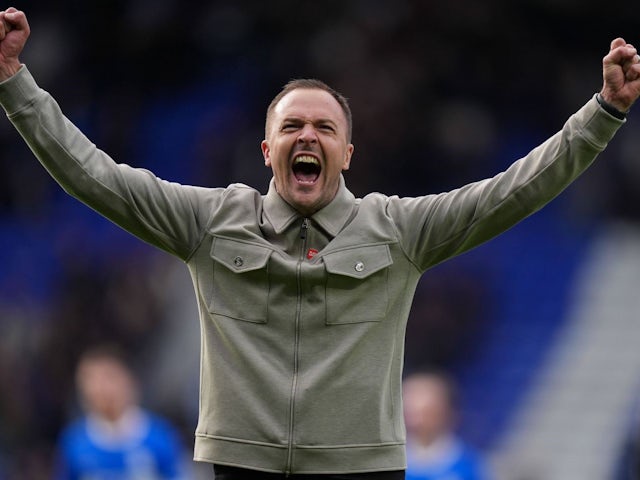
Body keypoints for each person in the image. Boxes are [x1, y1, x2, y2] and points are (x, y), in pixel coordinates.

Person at [0, 6, 639, 479]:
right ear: (267, 149)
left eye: (325, 127)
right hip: (240, 468)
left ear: (348, 152)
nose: (308, 136)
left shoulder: (399, 229)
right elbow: (94, 176)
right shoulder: (212, 220)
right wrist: (16, 85)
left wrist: (603, 114)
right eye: (292, 126)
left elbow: (513, 190)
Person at [54, 345, 187, 480]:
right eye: (90, 380)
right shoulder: (74, 443)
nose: (100, 388)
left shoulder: (160, 436)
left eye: (108, 377)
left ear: (129, 381)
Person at [403, 372, 488, 480]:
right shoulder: (387, 462)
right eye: (410, 413)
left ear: (446, 412)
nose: (416, 422)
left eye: (427, 413)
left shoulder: (469, 464)